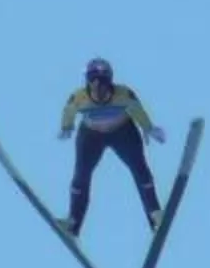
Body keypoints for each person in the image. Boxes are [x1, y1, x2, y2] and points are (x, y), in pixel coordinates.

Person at [55, 57, 167, 236]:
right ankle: (73, 223)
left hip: (122, 132)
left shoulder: (123, 94)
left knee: (140, 169)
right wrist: (66, 127)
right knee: (81, 175)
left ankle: (155, 214)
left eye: (102, 81)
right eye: (93, 80)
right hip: (91, 135)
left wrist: (149, 128)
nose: (98, 86)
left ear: (110, 81)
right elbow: (68, 111)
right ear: (87, 81)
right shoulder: (78, 97)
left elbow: (137, 109)